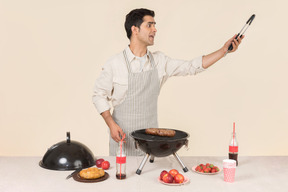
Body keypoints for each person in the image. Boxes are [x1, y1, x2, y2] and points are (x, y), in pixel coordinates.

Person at [92, 8, 244, 156]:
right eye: (149, 25)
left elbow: (191, 67)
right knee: (121, 180)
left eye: (155, 25)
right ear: (135, 30)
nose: (155, 29)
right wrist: (111, 124)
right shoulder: (115, 63)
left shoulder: (160, 61)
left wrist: (223, 51)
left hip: (150, 144)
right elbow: (98, 95)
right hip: (121, 141)